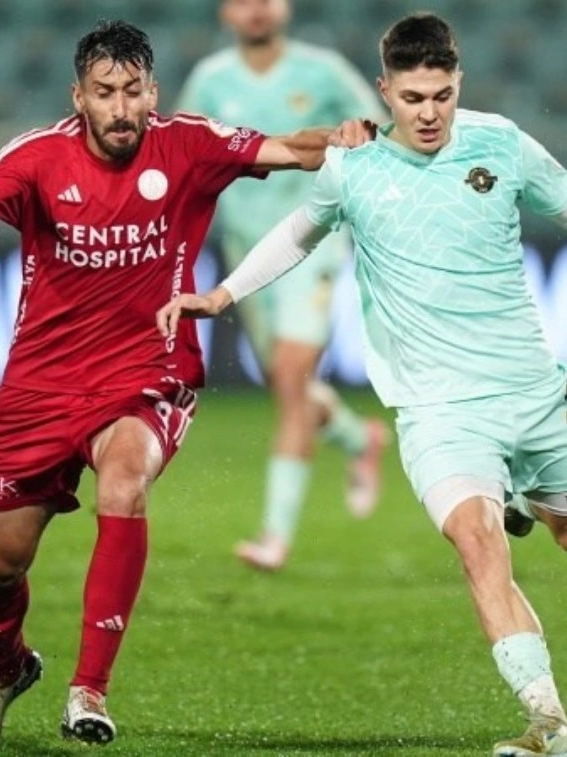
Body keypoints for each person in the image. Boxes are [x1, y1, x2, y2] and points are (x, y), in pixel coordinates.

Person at [158, 12, 567, 757]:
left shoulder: (501, 143)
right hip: (436, 410)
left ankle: (525, 493)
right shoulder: (354, 166)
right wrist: (223, 294)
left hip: (529, 389)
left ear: (459, 86)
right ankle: (549, 722)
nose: (428, 113)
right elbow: (298, 233)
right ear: (385, 90)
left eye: (442, 96)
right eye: (413, 98)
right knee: (478, 544)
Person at [0, 20, 370, 750]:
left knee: (124, 483)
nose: (120, 108)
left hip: (146, 373)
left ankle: (89, 689)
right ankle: (4, 672)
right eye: (105, 92)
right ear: (79, 97)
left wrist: (347, 138)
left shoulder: (188, 143)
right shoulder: (37, 158)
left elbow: (291, 148)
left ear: (153, 92)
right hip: (41, 386)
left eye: (132, 91)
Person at [178, 0, 389, 572]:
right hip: (246, 251)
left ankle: (275, 536)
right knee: (288, 385)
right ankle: (359, 438)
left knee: (293, 381)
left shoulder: (323, 72)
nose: (256, 11)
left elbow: (378, 129)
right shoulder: (210, 81)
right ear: (226, 13)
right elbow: (182, 155)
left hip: (313, 242)